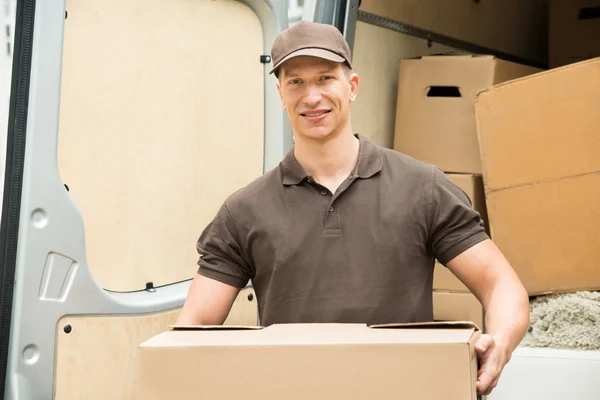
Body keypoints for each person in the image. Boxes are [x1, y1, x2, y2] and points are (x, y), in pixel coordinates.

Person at [176, 21, 530, 396]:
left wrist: (500, 346)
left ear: (352, 86)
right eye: (296, 82)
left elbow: (501, 285)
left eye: (326, 78)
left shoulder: (422, 188)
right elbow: (195, 324)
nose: (312, 96)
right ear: (280, 93)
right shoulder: (244, 210)